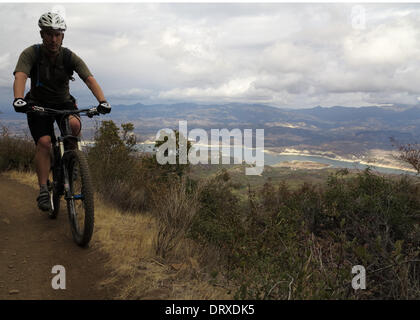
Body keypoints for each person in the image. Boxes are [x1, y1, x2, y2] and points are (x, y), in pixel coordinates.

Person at [12, 12, 111, 211]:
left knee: (74, 125)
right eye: (49, 34)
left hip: (64, 103)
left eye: (57, 34)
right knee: (44, 142)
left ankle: (72, 163)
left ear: (63, 36)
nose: (53, 38)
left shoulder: (69, 56)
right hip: (37, 104)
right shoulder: (31, 53)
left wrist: (103, 101)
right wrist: (18, 98)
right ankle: (42, 189)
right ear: (42, 34)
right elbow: (21, 76)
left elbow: (89, 79)